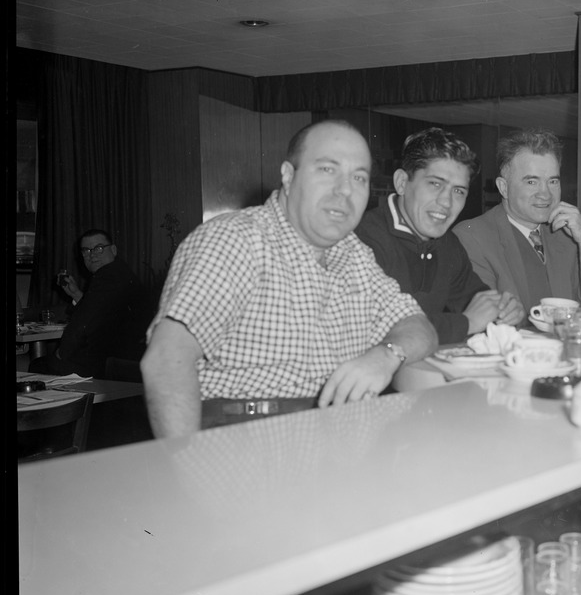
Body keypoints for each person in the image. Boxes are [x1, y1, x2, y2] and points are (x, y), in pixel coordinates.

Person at [141, 120, 438, 438]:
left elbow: (419, 328)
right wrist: (182, 469)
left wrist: (387, 354)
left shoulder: (354, 256)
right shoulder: (236, 240)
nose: (345, 190)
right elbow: (165, 361)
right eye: (327, 170)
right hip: (246, 439)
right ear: (288, 175)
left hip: (339, 444)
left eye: (359, 177)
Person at [354, 127, 524, 344]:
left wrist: (504, 311)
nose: (446, 202)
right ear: (402, 183)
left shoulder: (448, 244)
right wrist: (467, 322)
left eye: (458, 191)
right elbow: (378, 329)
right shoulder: (363, 240)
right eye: (435, 184)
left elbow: (478, 301)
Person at [453, 128, 581, 317]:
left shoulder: (566, 235)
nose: (545, 194)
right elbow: (489, 322)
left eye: (552, 182)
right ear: (504, 188)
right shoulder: (472, 237)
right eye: (532, 182)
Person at [29, 228, 148, 377]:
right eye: (86, 250)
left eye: (98, 248)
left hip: (108, 363)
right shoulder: (119, 271)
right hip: (123, 358)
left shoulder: (106, 276)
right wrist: (76, 294)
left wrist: (61, 353)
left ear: (113, 250)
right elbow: (101, 312)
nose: (92, 255)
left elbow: (83, 323)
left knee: (39, 365)